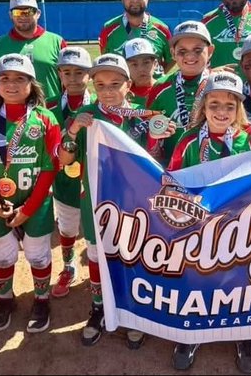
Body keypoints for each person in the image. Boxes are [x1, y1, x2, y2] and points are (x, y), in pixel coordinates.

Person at [58, 54, 170, 348]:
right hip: (96, 200)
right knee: (97, 254)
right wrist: (73, 130)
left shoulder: (141, 115)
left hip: (132, 201)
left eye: (115, 84)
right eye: (100, 84)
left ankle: (132, 309)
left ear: (128, 85)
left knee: (130, 254)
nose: (107, 91)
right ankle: (98, 307)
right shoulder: (85, 114)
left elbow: (154, 161)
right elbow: (64, 159)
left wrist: (157, 136)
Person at [167, 71, 251, 374]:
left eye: (229, 106)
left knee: (239, 279)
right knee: (198, 278)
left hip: (236, 226)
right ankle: (193, 331)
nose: (221, 112)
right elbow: (172, 180)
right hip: (198, 226)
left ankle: (244, 334)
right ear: (203, 107)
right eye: (214, 105)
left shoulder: (245, 141)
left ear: (238, 109)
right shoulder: (189, 141)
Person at [0, 53, 61, 334]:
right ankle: (5, 298)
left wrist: (29, 209)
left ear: (31, 83)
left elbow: (50, 168)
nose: (11, 84)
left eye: (19, 78)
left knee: (38, 254)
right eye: (5, 78)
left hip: (37, 202)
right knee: (1, 255)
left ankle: (42, 299)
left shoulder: (45, 119)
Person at [46, 46, 94, 299]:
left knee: (96, 230)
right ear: (59, 75)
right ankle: (68, 265)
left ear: (90, 74)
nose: (73, 78)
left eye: (79, 72)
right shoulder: (49, 106)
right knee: (67, 227)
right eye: (67, 72)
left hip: (94, 183)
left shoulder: (99, 105)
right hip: (63, 180)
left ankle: (101, 270)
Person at [146, 20, 214, 166]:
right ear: (172, 53)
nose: (190, 56)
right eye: (182, 51)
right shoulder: (160, 88)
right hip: (172, 170)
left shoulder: (221, 85)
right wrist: (154, 136)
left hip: (214, 169)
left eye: (198, 50)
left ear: (210, 51)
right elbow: (150, 137)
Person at [0, 0, 66, 99]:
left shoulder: (57, 42)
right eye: (17, 12)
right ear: (10, 15)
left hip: (51, 108)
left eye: (28, 11)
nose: (23, 16)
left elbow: (69, 80)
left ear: (38, 13)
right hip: (12, 108)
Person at [98, 0, 174, 76]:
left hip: (153, 86)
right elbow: (105, 60)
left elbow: (172, 58)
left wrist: (156, 75)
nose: (135, 0)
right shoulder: (109, 29)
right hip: (123, 86)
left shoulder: (162, 29)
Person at [123, 37, 159, 106]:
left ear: (155, 64)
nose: (141, 69)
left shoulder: (166, 89)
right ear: (126, 67)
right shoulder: (121, 93)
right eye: (134, 64)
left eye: (146, 62)